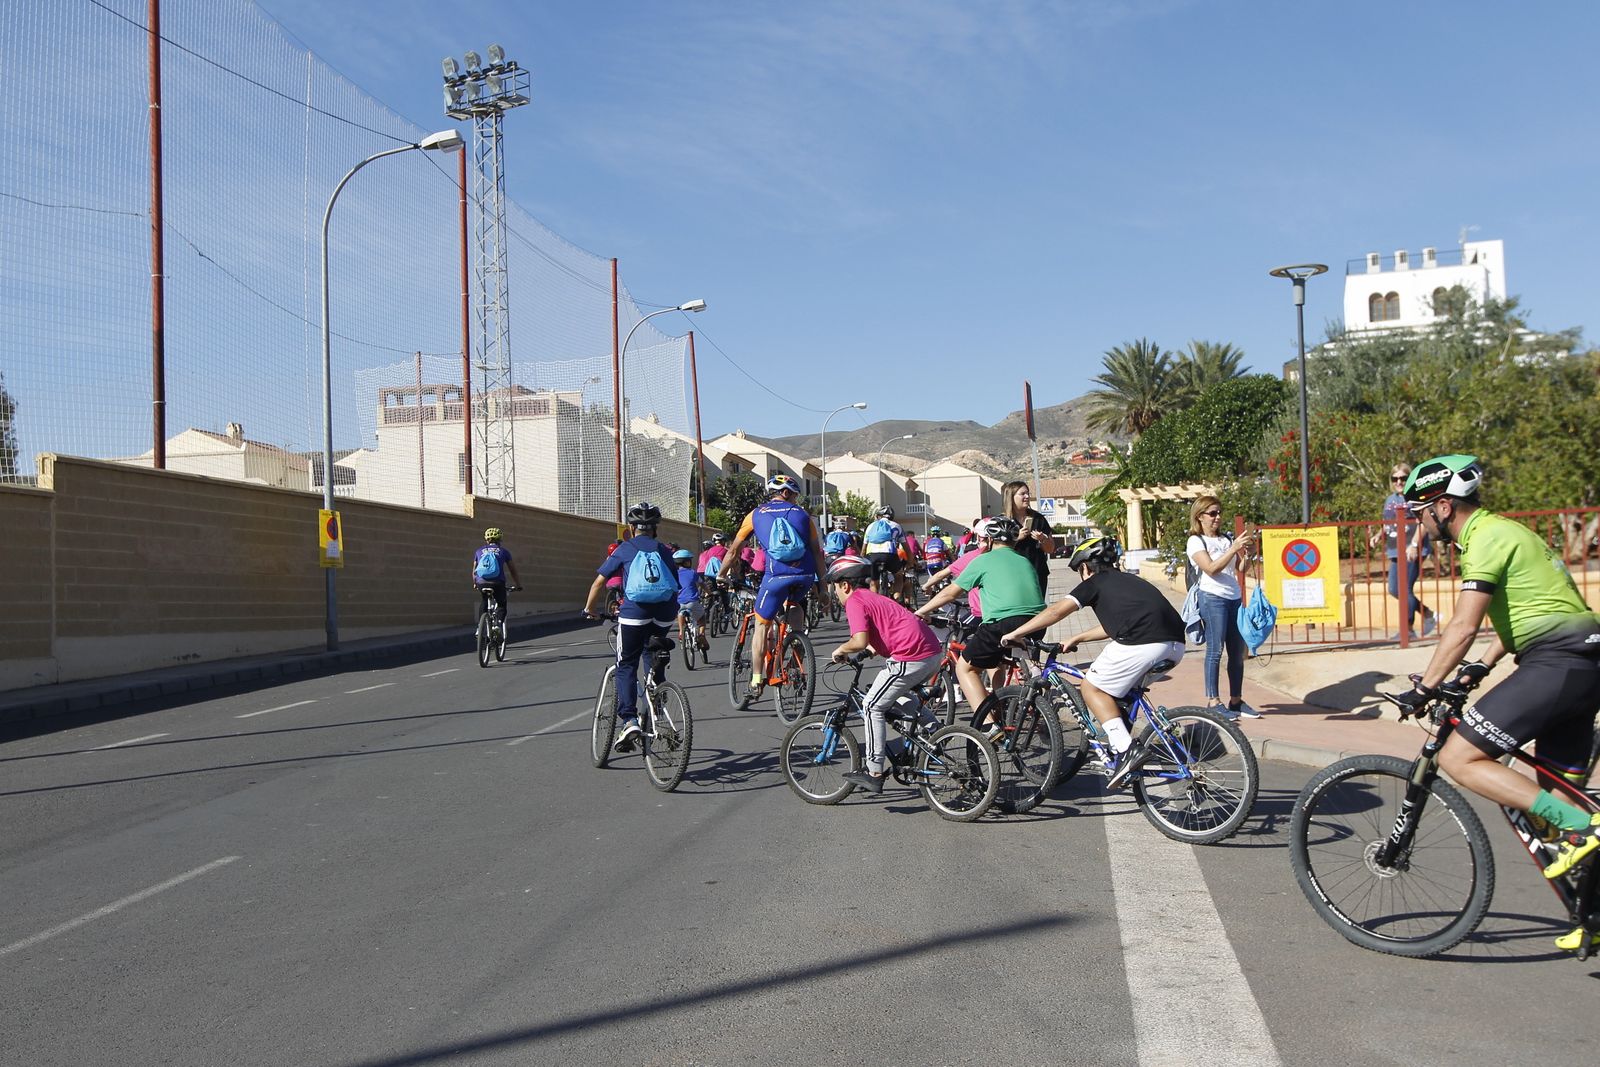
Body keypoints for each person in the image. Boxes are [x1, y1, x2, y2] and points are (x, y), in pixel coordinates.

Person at [1389, 455, 1600, 892]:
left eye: (1420, 512)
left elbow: (1464, 625)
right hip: (1583, 665)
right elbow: (1530, 608)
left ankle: (1584, 826)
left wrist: (1424, 688)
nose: (1420, 523)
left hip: (1556, 662)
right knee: (1554, 803)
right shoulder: (1508, 531)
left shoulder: (1483, 538)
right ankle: (1592, 916)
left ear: (1443, 507)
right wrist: (1482, 666)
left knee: (1457, 757)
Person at [1001, 535, 1186, 790]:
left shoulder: (1094, 582)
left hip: (1142, 644)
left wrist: (1016, 633)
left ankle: (1126, 750)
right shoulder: (1131, 581)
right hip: (1175, 646)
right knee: (1120, 693)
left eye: (1079, 570)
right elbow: (1118, 624)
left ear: (1086, 567)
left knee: (1091, 688)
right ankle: (1123, 748)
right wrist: (1078, 636)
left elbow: (1055, 611)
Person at [824, 555, 945, 795]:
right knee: (894, 694)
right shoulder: (871, 597)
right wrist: (870, 652)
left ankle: (873, 772)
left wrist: (841, 650)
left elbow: (858, 640)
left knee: (871, 706)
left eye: (835, 587)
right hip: (930, 651)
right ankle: (936, 731)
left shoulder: (855, 601)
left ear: (845, 585)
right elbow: (887, 630)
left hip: (911, 655)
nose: (835, 593)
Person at [914, 517, 1045, 735]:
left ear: (990, 540)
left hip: (1004, 622)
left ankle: (988, 726)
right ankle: (1002, 703)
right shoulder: (1024, 560)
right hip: (1037, 622)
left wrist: (921, 611)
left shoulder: (983, 560)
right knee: (996, 661)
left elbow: (950, 592)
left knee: (965, 668)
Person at [582, 502, 680, 752]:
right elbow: (675, 583)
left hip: (634, 613)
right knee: (653, 654)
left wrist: (590, 609)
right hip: (664, 613)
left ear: (631, 527)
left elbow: (598, 583)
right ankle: (658, 698)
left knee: (626, 663)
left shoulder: (625, 549)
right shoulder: (665, 550)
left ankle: (629, 720)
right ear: (655, 528)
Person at [722, 474, 827, 702]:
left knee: (762, 624)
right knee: (796, 606)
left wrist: (721, 575)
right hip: (805, 576)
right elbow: (817, 553)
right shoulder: (804, 516)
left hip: (776, 577)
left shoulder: (755, 514)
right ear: (787, 493)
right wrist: (824, 587)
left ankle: (757, 680)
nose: (797, 500)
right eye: (796, 495)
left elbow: (733, 551)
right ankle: (797, 651)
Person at [1186, 495, 1259, 720]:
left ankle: (1236, 701)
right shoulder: (1196, 541)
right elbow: (1211, 568)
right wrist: (1234, 547)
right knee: (1215, 651)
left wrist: (1250, 551)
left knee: (1237, 653)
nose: (1218, 517)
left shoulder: (1225, 539)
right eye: (1212, 513)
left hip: (1233, 598)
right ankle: (1213, 701)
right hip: (1212, 598)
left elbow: (1241, 568)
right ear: (1200, 517)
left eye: (1219, 513)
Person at [1370, 462, 1438, 639]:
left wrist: (1414, 545)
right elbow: (1389, 523)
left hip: (1411, 550)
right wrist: (1379, 535)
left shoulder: (1415, 497)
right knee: (1394, 589)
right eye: (1395, 478)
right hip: (1395, 550)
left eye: (1403, 478)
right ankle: (1429, 614)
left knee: (1405, 589)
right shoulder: (1391, 500)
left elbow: (1423, 522)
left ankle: (1407, 630)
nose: (1399, 482)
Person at [1000, 480, 1055, 599]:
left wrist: (1043, 539)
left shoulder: (1038, 519)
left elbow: (1050, 549)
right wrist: (1016, 538)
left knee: (1037, 611)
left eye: (1028, 494)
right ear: (1011, 497)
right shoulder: (1003, 522)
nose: (1027, 497)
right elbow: (996, 551)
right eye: (1022, 494)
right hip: (1012, 574)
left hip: (1037, 573)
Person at [471, 527, 523, 628]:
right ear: (500, 540)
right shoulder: (504, 552)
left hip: (481, 582)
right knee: (501, 604)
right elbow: (513, 570)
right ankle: (498, 626)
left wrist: (475, 583)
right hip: (498, 582)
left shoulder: (479, 551)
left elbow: (474, 571)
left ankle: (480, 627)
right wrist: (518, 585)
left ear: (486, 539)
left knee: (484, 601)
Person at [673, 547, 710, 663]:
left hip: (679, 603)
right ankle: (701, 634)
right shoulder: (692, 573)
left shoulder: (674, 574)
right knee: (702, 618)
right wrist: (709, 593)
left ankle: (680, 632)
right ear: (687, 562)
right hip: (692, 602)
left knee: (680, 612)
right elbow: (702, 584)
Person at [861, 506, 905, 596]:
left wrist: (862, 560)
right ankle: (896, 600)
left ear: (878, 516)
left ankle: (875, 604)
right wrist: (910, 563)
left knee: (873, 582)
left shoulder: (870, 526)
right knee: (899, 576)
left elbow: (863, 549)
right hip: (890, 555)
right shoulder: (896, 526)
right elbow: (906, 548)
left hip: (872, 556)